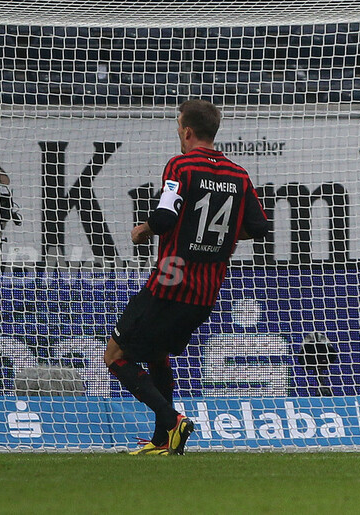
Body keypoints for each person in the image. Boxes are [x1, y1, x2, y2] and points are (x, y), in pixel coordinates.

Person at [104, 100, 269, 456]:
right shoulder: (239, 174)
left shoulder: (181, 166)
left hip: (169, 283)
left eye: (179, 127)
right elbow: (259, 226)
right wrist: (223, 235)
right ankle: (164, 440)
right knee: (157, 355)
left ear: (188, 131)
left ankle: (173, 419)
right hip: (205, 294)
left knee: (114, 355)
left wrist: (143, 230)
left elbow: (165, 218)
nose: (178, 132)